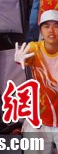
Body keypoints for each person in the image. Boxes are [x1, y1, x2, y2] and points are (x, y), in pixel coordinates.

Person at [16, 10, 58, 151]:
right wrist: (21, 58)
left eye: (56, 26)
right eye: (46, 26)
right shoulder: (35, 47)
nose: (51, 31)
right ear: (40, 30)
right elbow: (26, 55)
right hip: (40, 117)